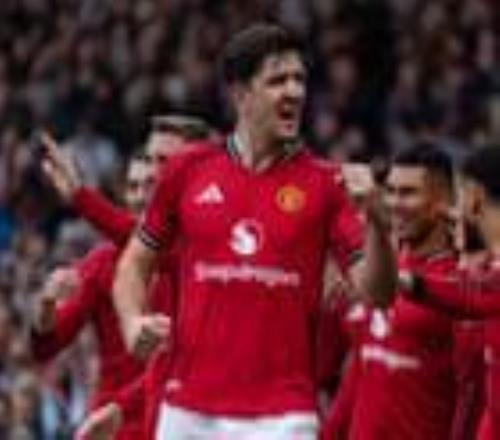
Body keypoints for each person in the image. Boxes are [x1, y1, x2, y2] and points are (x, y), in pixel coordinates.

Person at [113, 23, 396, 439]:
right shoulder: (187, 170)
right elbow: (134, 263)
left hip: (283, 417)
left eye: (299, 80)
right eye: (278, 80)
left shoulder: (326, 184)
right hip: (188, 410)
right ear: (240, 94)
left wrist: (379, 223)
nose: (294, 91)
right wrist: (132, 320)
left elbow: (378, 294)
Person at [30, 155, 171, 439]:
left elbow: (147, 242)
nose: (140, 196)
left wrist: (81, 196)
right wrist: (46, 303)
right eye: (133, 187)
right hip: (112, 427)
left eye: (150, 186)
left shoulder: (188, 257)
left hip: (173, 421)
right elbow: (46, 345)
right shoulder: (101, 262)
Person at [325, 144, 459, 439]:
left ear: (443, 200)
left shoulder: (460, 283)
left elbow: (473, 391)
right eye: (390, 191)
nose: (395, 203)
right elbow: (360, 370)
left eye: (408, 193)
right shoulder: (380, 269)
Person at [403, 145, 500, 440]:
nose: (455, 206)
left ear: (475, 195)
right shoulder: (486, 266)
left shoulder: (485, 283)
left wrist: (406, 281)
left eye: (460, 193)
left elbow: (473, 296)